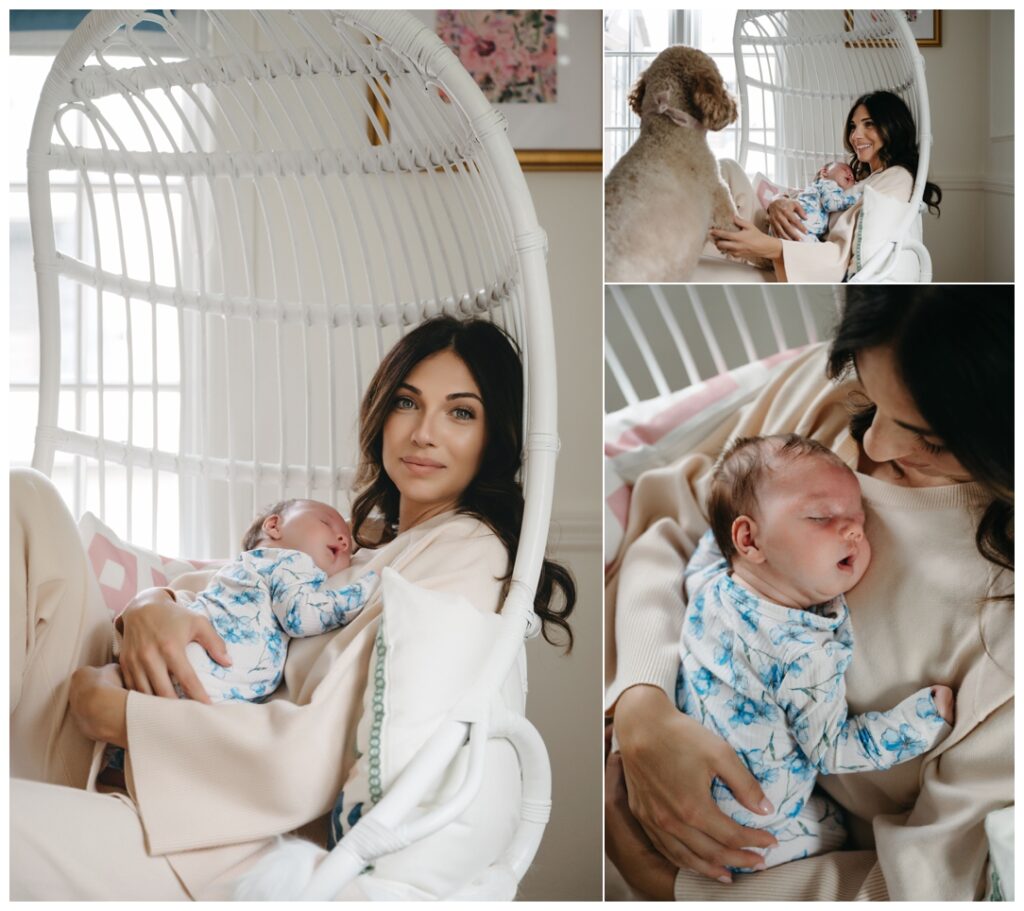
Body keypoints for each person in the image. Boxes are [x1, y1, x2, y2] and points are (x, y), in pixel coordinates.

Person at [11, 315, 576, 900]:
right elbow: (215, 579)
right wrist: (154, 605)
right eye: (408, 402)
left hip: (216, 835)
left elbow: (309, 759)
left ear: (493, 438)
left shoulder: (464, 550)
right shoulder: (360, 544)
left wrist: (121, 717)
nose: (424, 433)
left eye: (461, 412)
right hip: (119, 746)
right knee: (25, 501)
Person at [605, 287, 1011, 901]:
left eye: (929, 439)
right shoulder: (825, 402)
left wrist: (669, 887)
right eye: (871, 401)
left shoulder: (1001, 621)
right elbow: (680, 524)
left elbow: (932, 879)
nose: (870, 447)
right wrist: (641, 699)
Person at [678, 434, 953, 872]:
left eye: (857, 518)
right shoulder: (804, 654)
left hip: (682, 778)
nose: (853, 530)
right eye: (821, 517)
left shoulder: (710, 583)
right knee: (836, 829)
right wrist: (921, 720)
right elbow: (832, 749)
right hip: (754, 826)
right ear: (748, 539)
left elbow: (705, 552)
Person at [710, 91, 942, 281]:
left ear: (892, 127)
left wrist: (768, 247)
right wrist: (777, 202)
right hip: (781, 234)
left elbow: (840, 254)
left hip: (795, 256)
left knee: (703, 258)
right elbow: (811, 198)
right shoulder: (860, 177)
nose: (855, 135)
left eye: (868, 124)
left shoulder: (896, 179)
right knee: (727, 169)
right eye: (853, 127)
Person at [763, 162, 862, 243]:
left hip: (789, 227)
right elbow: (831, 204)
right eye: (845, 170)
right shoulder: (827, 183)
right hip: (797, 224)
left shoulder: (812, 189)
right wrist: (858, 197)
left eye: (852, 176)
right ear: (824, 172)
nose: (850, 174)